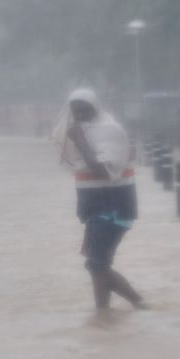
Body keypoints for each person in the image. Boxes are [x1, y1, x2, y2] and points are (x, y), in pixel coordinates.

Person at [53, 88, 149, 310]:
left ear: (95, 107)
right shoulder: (86, 130)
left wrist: (80, 141)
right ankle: (104, 314)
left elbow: (105, 171)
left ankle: (138, 303)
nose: (79, 115)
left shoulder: (109, 130)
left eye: (84, 109)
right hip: (96, 208)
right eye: (75, 110)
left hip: (113, 208)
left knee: (96, 265)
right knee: (97, 264)